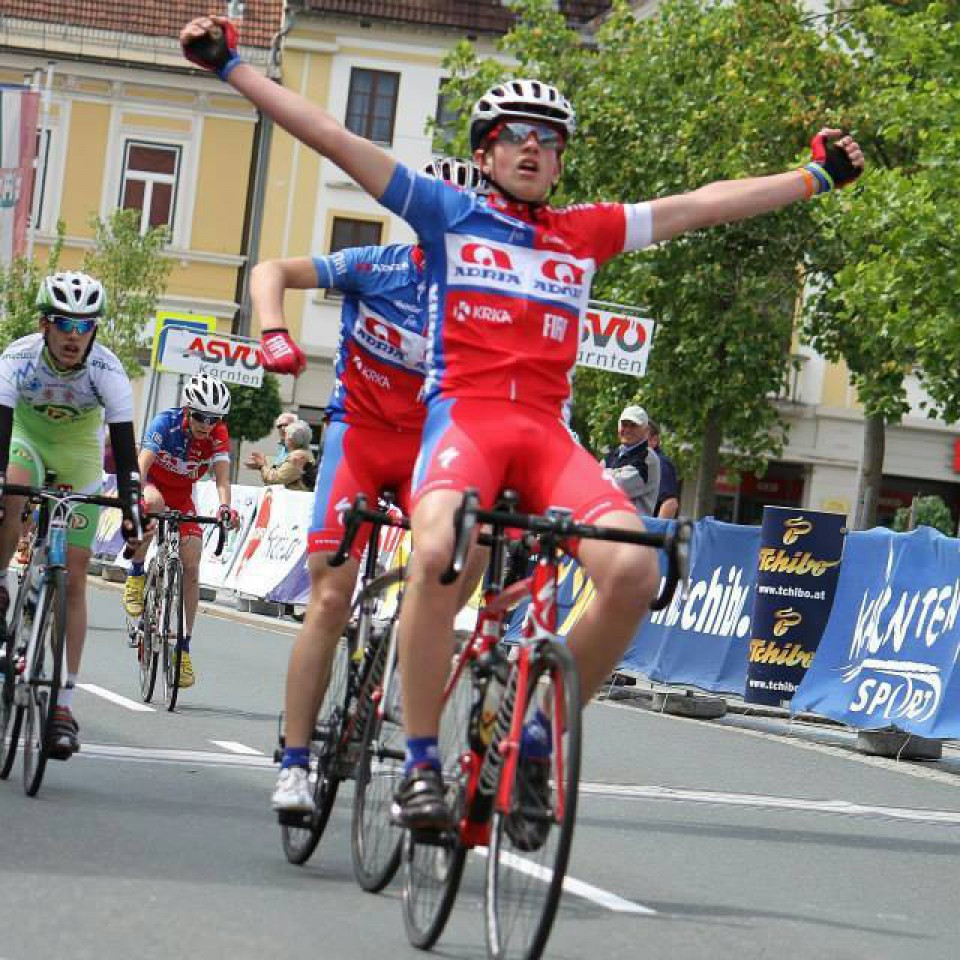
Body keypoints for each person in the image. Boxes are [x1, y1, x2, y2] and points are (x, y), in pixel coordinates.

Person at [180, 16, 864, 828]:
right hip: (462, 426)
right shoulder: (445, 215)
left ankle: (534, 727)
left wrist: (813, 178)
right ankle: (422, 766)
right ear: (485, 154)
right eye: (515, 138)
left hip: (546, 437)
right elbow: (330, 136)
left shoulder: (584, 234)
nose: (534, 150)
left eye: (550, 140)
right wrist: (232, 67)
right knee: (438, 555)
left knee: (635, 574)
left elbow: (698, 207)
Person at [249, 153, 489, 813]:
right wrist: (273, 331)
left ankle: (410, 711)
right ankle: (294, 762)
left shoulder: (488, 293)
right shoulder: (373, 266)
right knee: (329, 600)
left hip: (431, 453)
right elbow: (270, 271)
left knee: (453, 576)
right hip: (358, 436)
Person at [0, 271, 142, 757]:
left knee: (75, 579)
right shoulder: (17, 359)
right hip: (26, 440)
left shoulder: (107, 370)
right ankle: (1, 581)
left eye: (85, 326)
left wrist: (132, 512)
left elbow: (125, 454)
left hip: (81, 454)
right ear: (45, 325)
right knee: (13, 488)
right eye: (64, 323)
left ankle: (62, 705)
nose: (74, 336)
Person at [121, 373, 238, 688]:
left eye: (214, 418)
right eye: (200, 416)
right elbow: (142, 465)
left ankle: (183, 649)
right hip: (153, 486)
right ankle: (136, 574)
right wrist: (136, 499)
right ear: (188, 410)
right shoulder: (165, 423)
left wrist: (225, 508)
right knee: (154, 503)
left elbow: (222, 480)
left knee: (192, 565)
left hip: (184, 499)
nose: (206, 424)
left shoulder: (218, 436)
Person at [602, 405, 660, 517]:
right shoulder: (614, 453)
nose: (627, 430)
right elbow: (593, 477)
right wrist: (614, 473)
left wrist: (604, 473)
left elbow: (617, 485)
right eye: (624, 424)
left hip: (632, 529)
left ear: (646, 430)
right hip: (609, 524)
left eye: (633, 425)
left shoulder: (648, 457)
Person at [247, 418, 316, 491]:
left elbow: (274, 479)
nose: (283, 438)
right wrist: (263, 464)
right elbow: (280, 469)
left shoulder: (297, 456)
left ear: (291, 439)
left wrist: (262, 466)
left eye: (286, 436)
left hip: (293, 498)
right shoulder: (304, 453)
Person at [244, 410, 296, 475]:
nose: (282, 428)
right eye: (279, 426)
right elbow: (277, 468)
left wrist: (262, 465)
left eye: (286, 425)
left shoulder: (296, 448)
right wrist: (260, 465)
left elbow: (284, 474)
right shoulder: (283, 447)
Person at [648, 418, 680, 520]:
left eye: (641, 438)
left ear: (654, 440)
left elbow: (670, 504)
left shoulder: (660, 464)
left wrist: (654, 533)